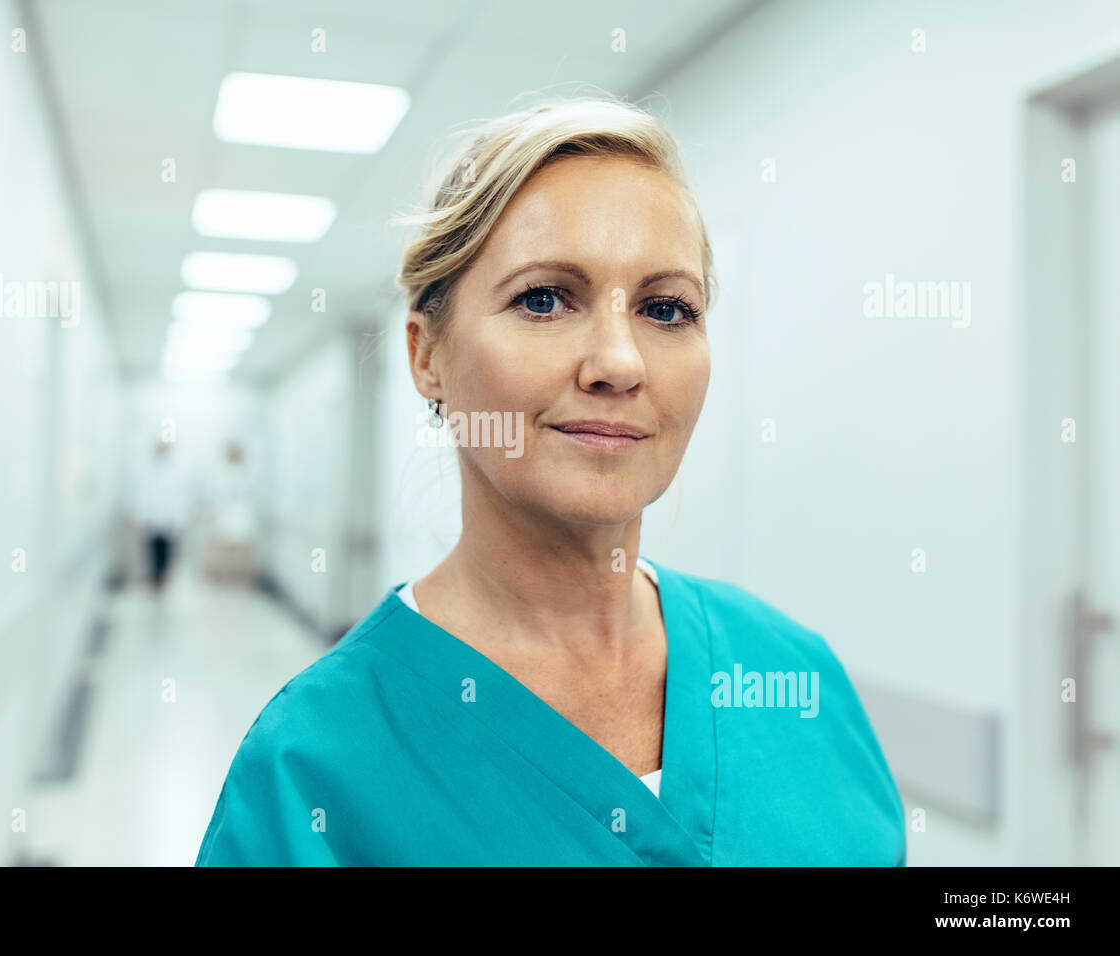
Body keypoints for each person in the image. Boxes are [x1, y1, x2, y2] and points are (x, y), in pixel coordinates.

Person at [196, 95, 907, 865]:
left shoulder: (793, 678)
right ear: (426, 355)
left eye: (666, 309)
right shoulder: (314, 770)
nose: (619, 362)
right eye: (543, 299)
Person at [129, 440, 190, 595]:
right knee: (152, 549)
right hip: (152, 517)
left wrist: (178, 518)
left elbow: (179, 497)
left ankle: (162, 578)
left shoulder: (176, 471)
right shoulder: (147, 470)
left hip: (168, 518)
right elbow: (141, 494)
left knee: (166, 550)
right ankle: (154, 578)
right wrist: (140, 516)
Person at [203, 443, 258, 584]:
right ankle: (219, 577)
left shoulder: (246, 474)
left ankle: (241, 578)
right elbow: (215, 494)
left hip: (240, 517)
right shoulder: (221, 473)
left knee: (241, 551)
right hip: (224, 516)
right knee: (221, 550)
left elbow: (247, 495)